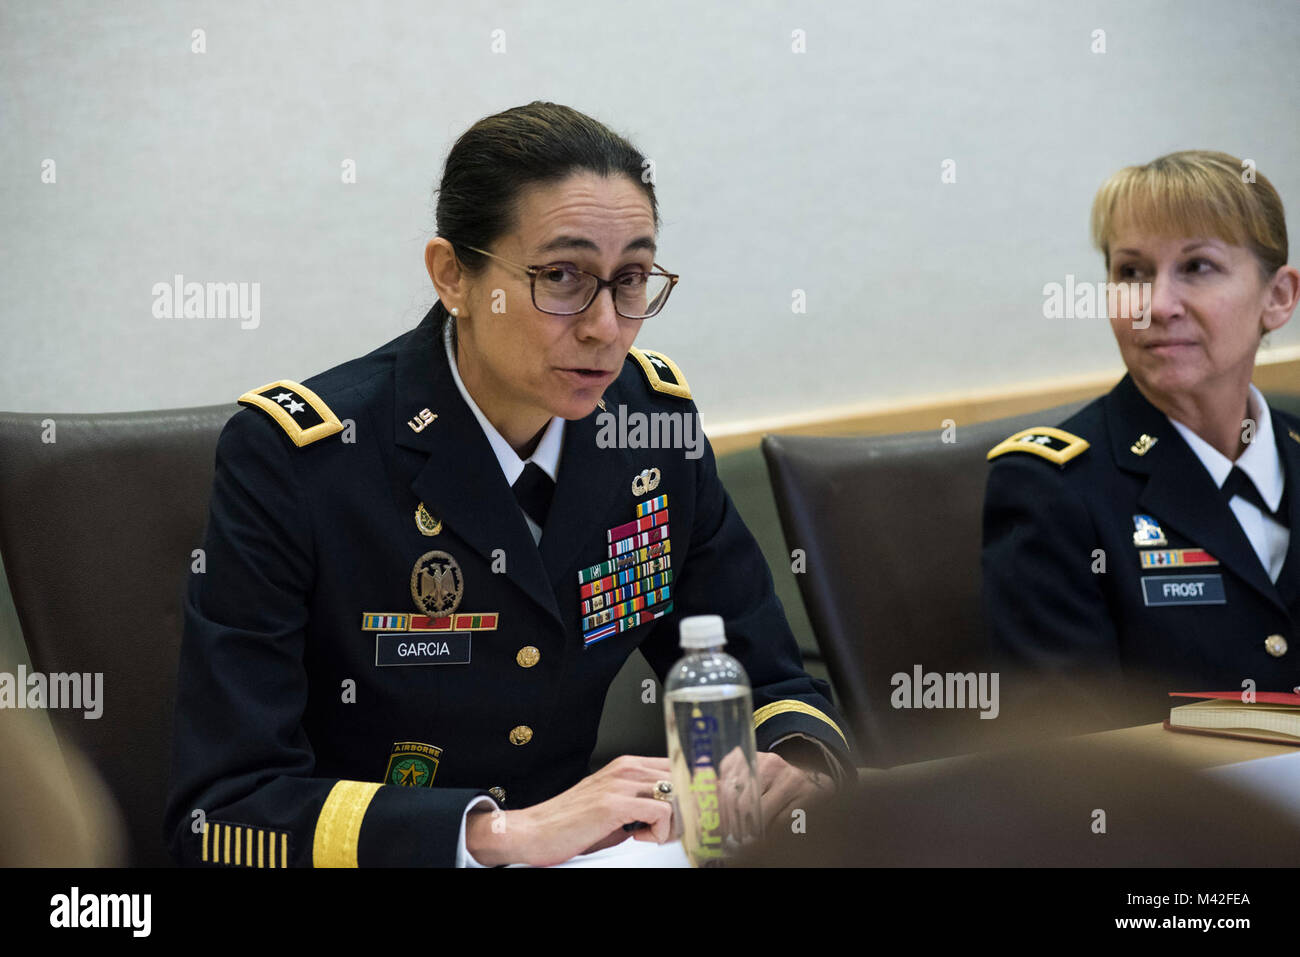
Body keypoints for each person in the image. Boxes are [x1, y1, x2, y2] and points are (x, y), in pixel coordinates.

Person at [164, 102, 854, 868]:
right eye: (561, 277)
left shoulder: (648, 431)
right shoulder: (303, 460)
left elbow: (768, 678)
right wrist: (495, 832)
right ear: (453, 275)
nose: (605, 327)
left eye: (630, 279)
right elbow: (221, 815)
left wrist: (798, 773)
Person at [982, 150, 1300, 725]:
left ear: (1278, 297)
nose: (1156, 306)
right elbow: (1070, 755)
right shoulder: (1054, 488)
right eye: (1131, 273)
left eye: (1198, 267)